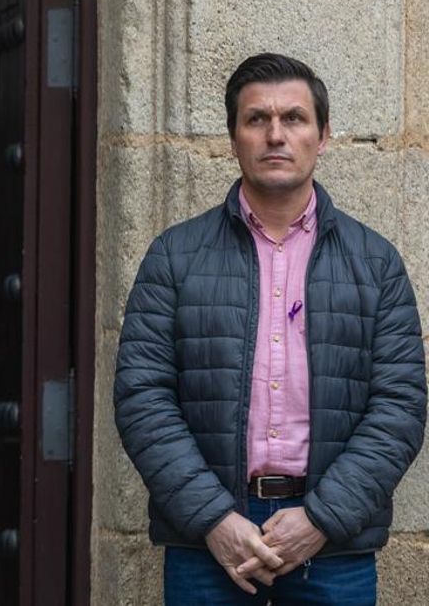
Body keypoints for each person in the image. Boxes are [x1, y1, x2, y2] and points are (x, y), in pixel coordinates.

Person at [114, 52, 426, 604]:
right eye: (257, 119)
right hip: (207, 542)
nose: (275, 134)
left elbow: (399, 407)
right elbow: (143, 398)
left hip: (333, 545)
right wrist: (214, 518)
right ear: (233, 138)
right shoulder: (174, 257)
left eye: (294, 119)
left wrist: (321, 518)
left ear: (323, 135)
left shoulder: (375, 263)